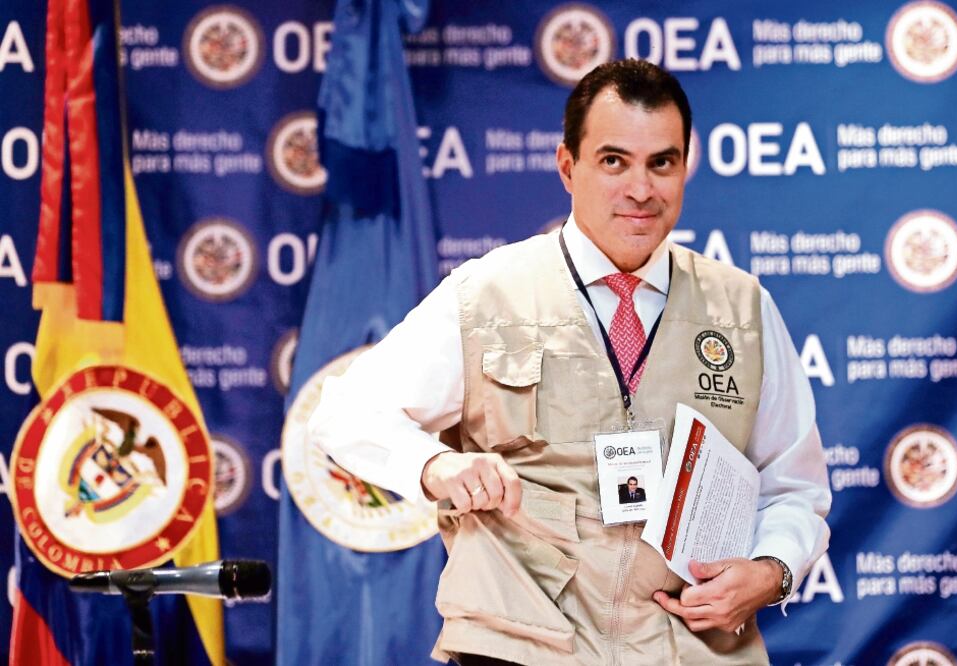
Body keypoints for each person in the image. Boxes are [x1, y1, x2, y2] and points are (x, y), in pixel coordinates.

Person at [309, 59, 831, 665]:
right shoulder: (488, 294)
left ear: (685, 167)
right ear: (567, 167)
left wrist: (773, 570)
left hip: (688, 649)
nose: (641, 188)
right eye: (614, 161)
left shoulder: (742, 310)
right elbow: (344, 414)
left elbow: (794, 487)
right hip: (521, 647)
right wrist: (434, 466)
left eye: (661, 162)